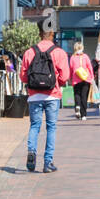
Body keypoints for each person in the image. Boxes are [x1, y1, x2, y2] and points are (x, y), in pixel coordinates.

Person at [20, 28, 69, 172]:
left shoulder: (29, 52)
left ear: (40, 35)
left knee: (34, 126)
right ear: (52, 36)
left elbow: (23, 77)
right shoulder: (59, 52)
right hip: (52, 95)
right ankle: (48, 162)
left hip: (34, 95)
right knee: (51, 127)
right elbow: (65, 76)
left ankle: (32, 152)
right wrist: (56, 81)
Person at [69, 41, 94, 120]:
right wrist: (92, 77)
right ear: (82, 48)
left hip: (76, 79)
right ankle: (83, 115)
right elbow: (90, 67)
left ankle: (77, 107)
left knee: (77, 94)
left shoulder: (72, 57)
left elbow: (71, 69)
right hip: (86, 78)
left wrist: (70, 78)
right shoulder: (85, 56)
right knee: (84, 96)